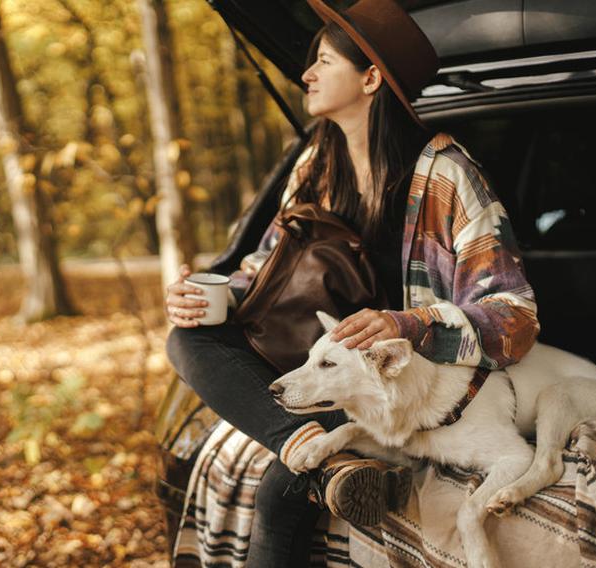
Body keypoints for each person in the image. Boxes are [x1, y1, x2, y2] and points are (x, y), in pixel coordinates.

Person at [164, 0, 540, 565]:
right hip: (317, 366)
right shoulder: (316, 162)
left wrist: (406, 325)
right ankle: (315, 449)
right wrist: (208, 294)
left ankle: (319, 454)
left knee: (279, 494)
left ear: (370, 77)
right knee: (184, 337)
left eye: (321, 61)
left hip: (395, 389)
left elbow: (515, 318)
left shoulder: (446, 174)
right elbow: (264, 267)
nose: (306, 73)